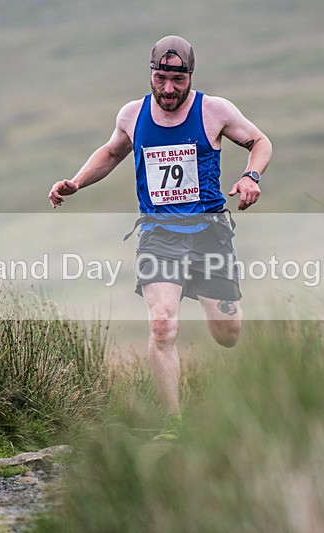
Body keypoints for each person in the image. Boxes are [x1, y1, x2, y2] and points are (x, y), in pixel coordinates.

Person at [49, 35, 272, 440]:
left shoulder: (214, 110)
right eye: (160, 78)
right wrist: (76, 182)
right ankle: (174, 424)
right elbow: (113, 151)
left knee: (227, 334)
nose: (168, 89)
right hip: (158, 234)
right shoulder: (133, 115)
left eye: (177, 80)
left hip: (209, 232)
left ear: (190, 77)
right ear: (151, 74)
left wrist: (250, 176)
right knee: (162, 326)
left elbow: (260, 142)